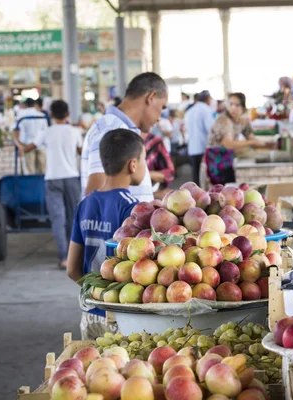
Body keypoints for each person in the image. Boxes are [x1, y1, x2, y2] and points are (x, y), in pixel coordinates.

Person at [67, 129, 145, 339]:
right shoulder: (133, 209)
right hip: (120, 315)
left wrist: (97, 295)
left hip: (90, 312)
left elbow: (72, 269)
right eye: (144, 160)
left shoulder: (84, 204)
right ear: (133, 164)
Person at [13, 100, 82, 269]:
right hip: (72, 178)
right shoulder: (75, 132)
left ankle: (64, 258)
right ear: (68, 114)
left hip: (52, 180)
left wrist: (16, 137)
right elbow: (82, 153)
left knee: (58, 219)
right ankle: (76, 256)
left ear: (50, 115)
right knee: (73, 219)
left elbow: (26, 149)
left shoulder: (46, 132)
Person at [81, 72, 168, 202]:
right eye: (162, 107)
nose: (159, 117)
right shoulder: (112, 129)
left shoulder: (120, 128)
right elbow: (97, 195)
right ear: (151, 97)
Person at [206, 93, 268, 184]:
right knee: (219, 192)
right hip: (216, 160)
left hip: (229, 159)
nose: (233, 108)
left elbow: (251, 137)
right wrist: (251, 142)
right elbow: (228, 144)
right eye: (231, 104)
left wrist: (266, 144)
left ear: (243, 107)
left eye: (237, 105)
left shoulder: (243, 120)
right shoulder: (224, 120)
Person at [185, 90, 214, 185]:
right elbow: (211, 129)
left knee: (195, 176)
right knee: (204, 177)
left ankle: (195, 197)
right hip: (203, 147)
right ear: (207, 99)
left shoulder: (190, 111)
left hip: (192, 148)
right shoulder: (206, 110)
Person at [13, 97, 49, 174]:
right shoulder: (42, 115)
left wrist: (19, 145)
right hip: (41, 146)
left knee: (29, 172)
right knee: (42, 172)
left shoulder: (21, 115)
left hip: (27, 146)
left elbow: (16, 130)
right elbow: (46, 132)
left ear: (25, 105)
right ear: (35, 104)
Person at [143, 127, 175, 199]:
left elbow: (169, 173)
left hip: (151, 196)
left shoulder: (155, 142)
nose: (158, 119)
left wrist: (146, 174)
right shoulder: (120, 140)